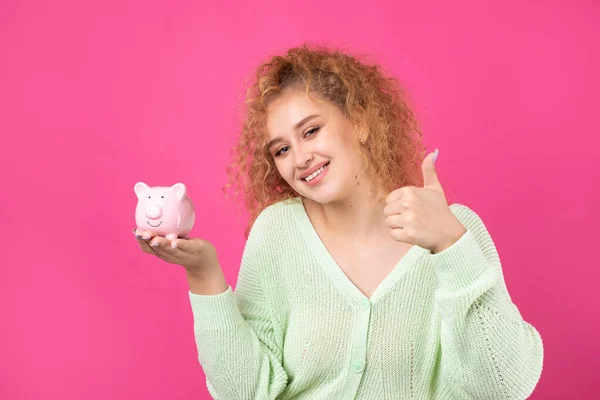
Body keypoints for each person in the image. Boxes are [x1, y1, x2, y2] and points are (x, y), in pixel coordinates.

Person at [133, 43, 544, 399]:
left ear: (360, 121)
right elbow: (246, 391)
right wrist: (204, 277)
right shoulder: (278, 233)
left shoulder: (453, 230)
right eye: (281, 150)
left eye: (311, 131)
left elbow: (505, 387)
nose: (300, 158)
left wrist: (452, 247)